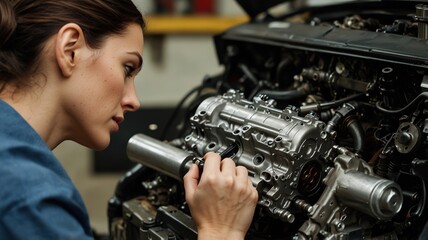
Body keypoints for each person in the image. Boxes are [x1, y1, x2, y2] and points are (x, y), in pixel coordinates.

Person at [0, 0, 258, 239]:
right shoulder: (29, 198)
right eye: (127, 68)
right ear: (70, 50)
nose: (134, 101)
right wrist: (220, 229)